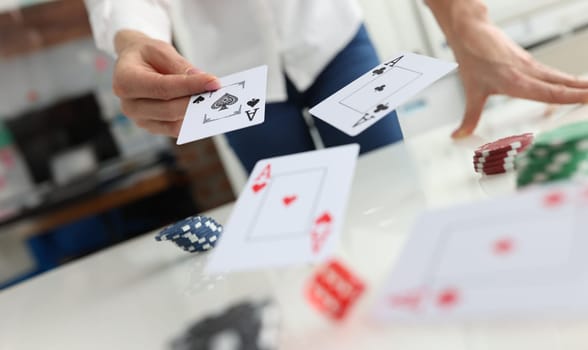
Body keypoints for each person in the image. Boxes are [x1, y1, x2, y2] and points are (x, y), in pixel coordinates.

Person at [84, 0, 588, 173]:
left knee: (389, 194)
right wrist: (134, 39)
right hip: (229, 74)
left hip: (332, 38)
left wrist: (465, 23)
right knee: (290, 230)